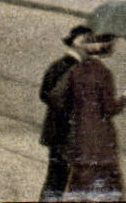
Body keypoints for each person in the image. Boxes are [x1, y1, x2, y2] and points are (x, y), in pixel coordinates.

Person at [60, 33, 126, 200]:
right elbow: (108, 109)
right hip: (100, 144)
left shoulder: (75, 71)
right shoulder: (104, 73)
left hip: (80, 141)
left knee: (78, 188)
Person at [39, 25, 96, 202]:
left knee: (55, 179)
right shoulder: (77, 70)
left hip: (55, 133)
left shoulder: (57, 65)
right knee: (59, 181)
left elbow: (44, 94)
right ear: (79, 43)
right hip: (67, 135)